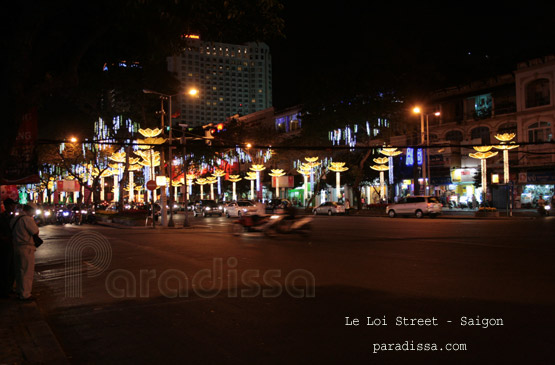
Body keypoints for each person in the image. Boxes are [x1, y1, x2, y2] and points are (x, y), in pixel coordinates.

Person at [10, 203, 40, 301]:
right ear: (31, 210)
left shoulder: (15, 218)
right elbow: (35, 231)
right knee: (27, 272)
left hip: (16, 246)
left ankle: (19, 291)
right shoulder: (27, 219)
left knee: (19, 270)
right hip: (26, 247)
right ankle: (25, 294)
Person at [0, 198, 17, 298]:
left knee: (12, 268)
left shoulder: (14, 217)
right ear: (8, 206)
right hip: (4, 246)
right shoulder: (2, 217)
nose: (14, 207)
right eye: (12, 205)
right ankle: (4, 290)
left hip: (12, 245)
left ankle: (9, 287)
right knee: (5, 268)